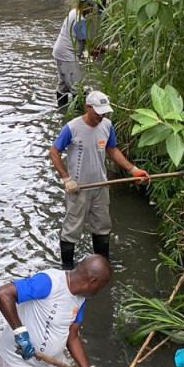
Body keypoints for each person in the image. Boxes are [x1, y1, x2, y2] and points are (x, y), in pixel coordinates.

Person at [49, 89, 149, 268]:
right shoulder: (72, 128)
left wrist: (133, 170)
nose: (101, 117)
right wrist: (66, 179)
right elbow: (54, 151)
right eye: (98, 113)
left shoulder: (107, 125)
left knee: (102, 226)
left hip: (101, 186)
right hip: (78, 188)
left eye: (104, 113)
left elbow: (112, 150)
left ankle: (103, 264)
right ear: (87, 107)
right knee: (72, 229)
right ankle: (67, 269)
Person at [52, 0, 96, 107]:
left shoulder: (73, 12)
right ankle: (79, 113)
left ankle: (62, 110)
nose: (92, 10)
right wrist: (107, 49)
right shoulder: (80, 21)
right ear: (86, 6)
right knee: (78, 88)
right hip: (67, 56)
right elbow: (89, 46)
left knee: (63, 86)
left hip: (59, 53)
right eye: (91, 6)